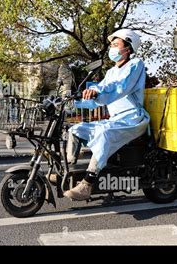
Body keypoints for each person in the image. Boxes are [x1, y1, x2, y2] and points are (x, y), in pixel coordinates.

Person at [63, 29, 150, 201]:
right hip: (115, 119)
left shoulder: (135, 65)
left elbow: (120, 87)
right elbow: (98, 96)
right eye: (112, 45)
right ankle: (67, 171)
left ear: (128, 48)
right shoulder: (110, 72)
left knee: (104, 134)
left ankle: (87, 184)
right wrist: (74, 101)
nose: (113, 48)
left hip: (132, 119)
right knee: (75, 129)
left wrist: (97, 91)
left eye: (116, 45)